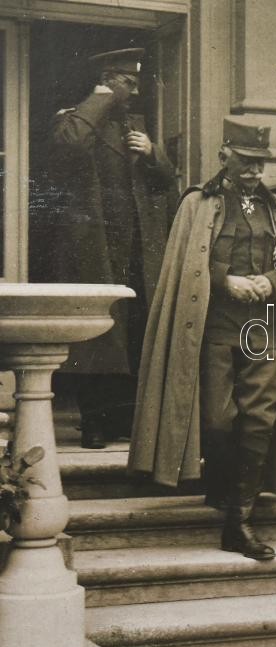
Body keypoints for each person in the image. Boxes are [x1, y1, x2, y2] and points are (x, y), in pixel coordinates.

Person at [128, 118, 276, 560]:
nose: (255, 171)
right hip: (214, 328)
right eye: (246, 161)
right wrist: (227, 280)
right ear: (225, 156)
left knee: (260, 418)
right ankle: (220, 485)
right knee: (218, 421)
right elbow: (185, 268)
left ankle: (238, 521)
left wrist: (271, 284)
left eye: (260, 163)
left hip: (262, 331)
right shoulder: (198, 205)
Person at [50, 47, 177, 449]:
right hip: (96, 249)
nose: (135, 92)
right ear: (109, 80)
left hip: (136, 249)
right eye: (129, 83)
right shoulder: (75, 119)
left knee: (133, 335)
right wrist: (101, 97)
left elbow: (165, 183)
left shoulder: (136, 126)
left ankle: (123, 419)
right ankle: (94, 423)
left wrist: (154, 154)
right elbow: (70, 144)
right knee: (98, 338)